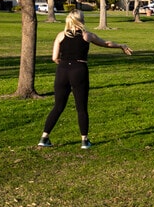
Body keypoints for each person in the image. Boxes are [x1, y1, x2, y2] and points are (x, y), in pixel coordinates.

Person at [38, 9, 133, 149]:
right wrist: (121, 46)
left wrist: (65, 65)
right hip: (79, 70)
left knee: (58, 106)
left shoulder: (60, 35)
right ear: (81, 20)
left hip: (62, 71)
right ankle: (84, 141)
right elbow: (106, 43)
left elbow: (54, 58)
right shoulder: (87, 35)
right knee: (81, 107)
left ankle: (44, 138)